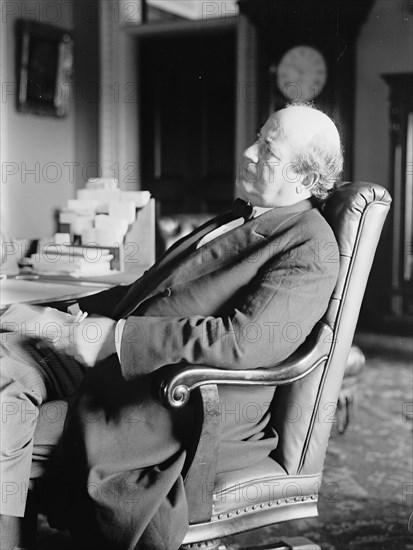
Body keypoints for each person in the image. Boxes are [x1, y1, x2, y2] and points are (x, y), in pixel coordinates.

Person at [0, 102, 343, 550]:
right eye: (258, 137)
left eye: (268, 150)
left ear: (303, 177)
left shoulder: (309, 246)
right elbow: (148, 290)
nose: (248, 151)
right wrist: (58, 315)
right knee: (9, 355)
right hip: (116, 366)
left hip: (171, 401)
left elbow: (243, 343)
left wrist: (111, 337)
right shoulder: (240, 215)